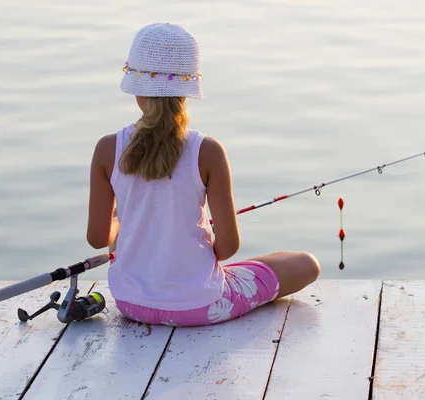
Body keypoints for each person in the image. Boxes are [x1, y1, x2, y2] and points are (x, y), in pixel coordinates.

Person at [86, 22, 320, 327]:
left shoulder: (107, 149)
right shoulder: (207, 150)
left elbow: (97, 239)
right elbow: (228, 248)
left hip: (131, 304)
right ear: (187, 91)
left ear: (137, 91)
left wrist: (120, 222)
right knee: (306, 264)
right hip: (200, 306)